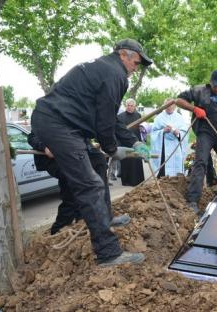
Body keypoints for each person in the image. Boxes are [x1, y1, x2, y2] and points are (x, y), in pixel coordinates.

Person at [30, 38, 152, 266]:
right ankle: (108, 253)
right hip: (59, 125)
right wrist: (113, 149)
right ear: (123, 55)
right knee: (90, 185)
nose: (136, 68)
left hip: (64, 123)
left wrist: (134, 142)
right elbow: (104, 123)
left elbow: (110, 119)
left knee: (96, 160)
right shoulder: (115, 75)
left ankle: (105, 217)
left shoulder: (105, 69)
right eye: (136, 62)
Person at [28, 131, 131, 234]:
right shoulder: (47, 117)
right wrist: (44, 147)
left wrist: (112, 149)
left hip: (77, 153)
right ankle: (58, 230)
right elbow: (33, 137)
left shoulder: (75, 118)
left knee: (99, 160)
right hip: (57, 159)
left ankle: (104, 218)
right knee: (71, 195)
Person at [169, 69, 217, 215]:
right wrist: (194, 108)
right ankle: (193, 200)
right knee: (200, 162)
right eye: (215, 85)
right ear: (211, 82)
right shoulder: (199, 91)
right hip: (204, 133)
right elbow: (179, 100)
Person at [150, 101, 188, 177]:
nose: (169, 107)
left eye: (171, 105)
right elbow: (153, 132)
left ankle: (176, 179)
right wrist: (163, 131)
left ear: (174, 106)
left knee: (176, 164)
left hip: (176, 145)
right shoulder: (159, 117)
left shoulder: (179, 118)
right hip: (163, 146)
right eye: (167, 105)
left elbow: (184, 133)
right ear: (164, 106)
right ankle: (162, 179)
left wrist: (178, 133)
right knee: (163, 165)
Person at [117, 98, 146, 186]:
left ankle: (138, 181)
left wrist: (142, 129)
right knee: (126, 162)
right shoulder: (120, 116)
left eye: (131, 105)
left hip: (136, 141)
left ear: (135, 107)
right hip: (124, 142)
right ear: (126, 106)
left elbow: (142, 127)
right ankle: (127, 181)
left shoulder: (138, 115)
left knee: (136, 161)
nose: (129, 107)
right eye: (128, 105)